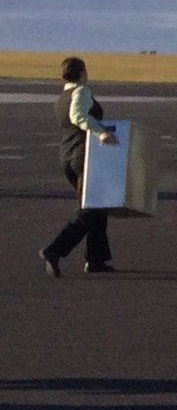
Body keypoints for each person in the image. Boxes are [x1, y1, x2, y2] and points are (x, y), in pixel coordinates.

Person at [40, 57, 118, 278]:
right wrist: (100, 131)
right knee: (91, 207)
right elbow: (78, 117)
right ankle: (54, 250)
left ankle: (96, 259)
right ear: (83, 72)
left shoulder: (62, 97)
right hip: (83, 156)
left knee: (98, 205)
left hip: (67, 155)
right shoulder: (81, 92)